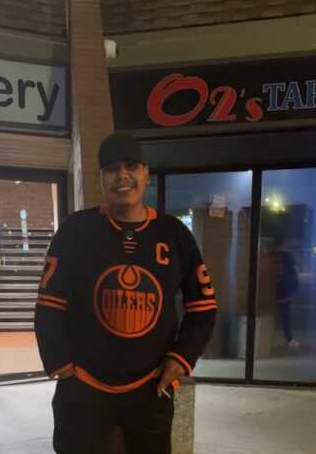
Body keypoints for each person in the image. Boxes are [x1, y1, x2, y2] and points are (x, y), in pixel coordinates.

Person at [34, 132, 217, 454]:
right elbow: (49, 303)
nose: (122, 175)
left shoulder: (174, 233)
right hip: (84, 383)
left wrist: (182, 358)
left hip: (150, 384)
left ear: (146, 174)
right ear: (100, 178)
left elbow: (203, 305)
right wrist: (60, 363)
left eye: (131, 166)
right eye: (111, 169)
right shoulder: (76, 230)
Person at [270, 237, 300, 349]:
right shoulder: (288, 256)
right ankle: (289, 339)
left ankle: (268, 338)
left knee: (270, 315)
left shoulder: (268, 255)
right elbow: (294, 274)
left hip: (270, 291)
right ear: (283, 244)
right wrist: (293, 289)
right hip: (284, 291)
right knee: (285, 317)